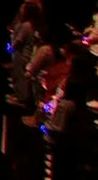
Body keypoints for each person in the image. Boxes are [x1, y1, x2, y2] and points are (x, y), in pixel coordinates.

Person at [43, 44, 96, 180]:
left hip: (62, 152)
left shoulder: (67, 106)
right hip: (73, 150)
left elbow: (53, 132)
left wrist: (45, 124)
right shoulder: (78, 102)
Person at [9, 0, 45, 107]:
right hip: (24, 55)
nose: (20, 10)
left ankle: (21, 98)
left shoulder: (26, 26)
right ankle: (19, 96)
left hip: (22, 55)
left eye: (23, 8)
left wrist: (11, 48)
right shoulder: (30, 24)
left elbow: (19, 41)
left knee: (21, 77)